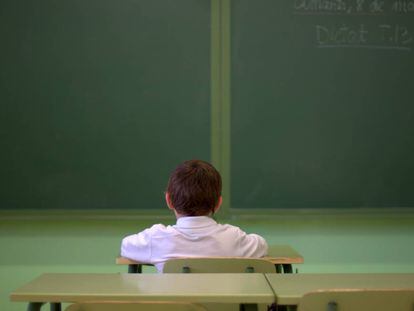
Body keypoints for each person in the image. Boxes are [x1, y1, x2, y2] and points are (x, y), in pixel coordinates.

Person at [120, 159, 268, 272]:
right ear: (218, 203)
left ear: (168, 200)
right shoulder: (233, 238)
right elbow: (262, 246)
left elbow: (125, 246)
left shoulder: (156, 238)